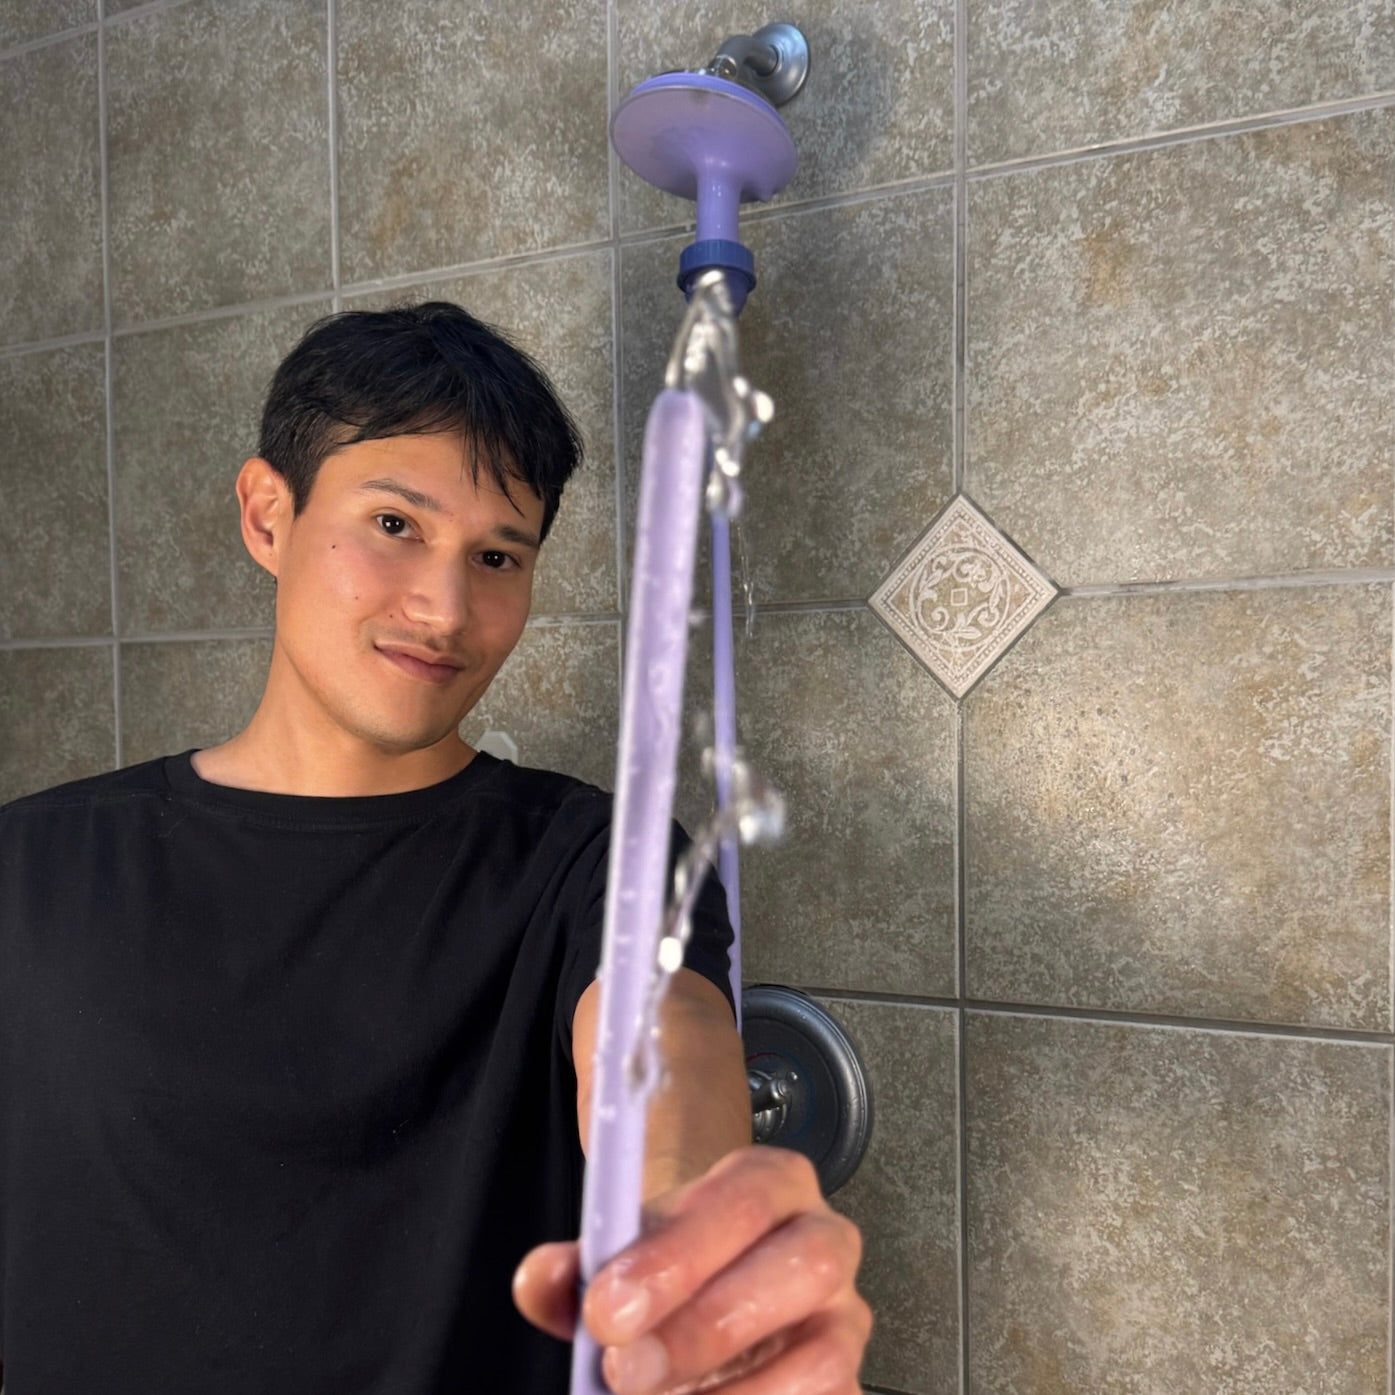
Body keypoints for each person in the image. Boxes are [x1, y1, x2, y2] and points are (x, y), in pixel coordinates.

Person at [0, 302, 871, 1393]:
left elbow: (666, 1075)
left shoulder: (595, 865)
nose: (446, 608)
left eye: (499, 555)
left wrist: (707, 1272)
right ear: (268, 516)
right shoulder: (30, 873)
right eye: (396, 526)